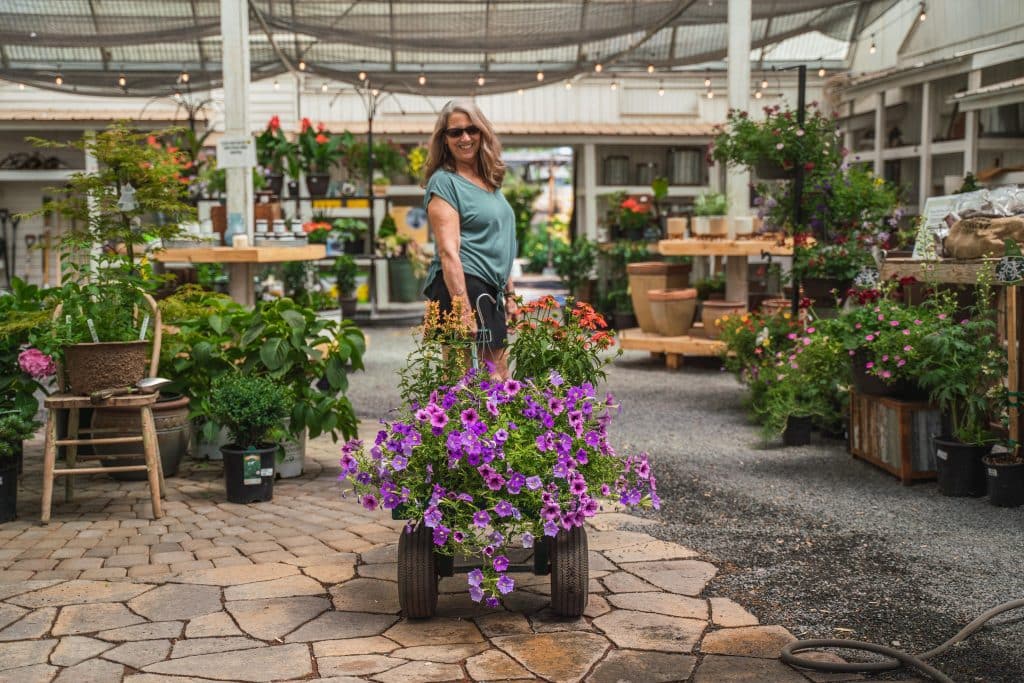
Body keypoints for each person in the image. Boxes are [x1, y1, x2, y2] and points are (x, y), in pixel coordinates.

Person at [421, 100, 518, 379]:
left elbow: (499, 240)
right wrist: (462, 308)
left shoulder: (489, 180)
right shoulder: (444, 182)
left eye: (471, 129)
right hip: (463, 285)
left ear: (482, 132)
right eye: (455, 132)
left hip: (489, 286)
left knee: (497, 378)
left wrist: (509, 293)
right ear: (445, 139)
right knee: (466, 380)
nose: (465, 137)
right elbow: (448, 251)